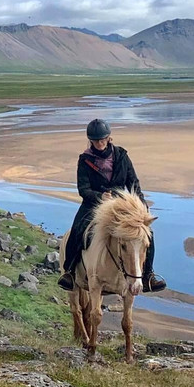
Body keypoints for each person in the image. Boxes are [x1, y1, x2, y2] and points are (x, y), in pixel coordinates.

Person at [57, 119, 166, 293]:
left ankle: (148, 275)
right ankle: (69, 272)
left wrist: (141, 205)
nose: (99, 144)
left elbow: (133, 183)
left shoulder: (121, 155)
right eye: (95, 141)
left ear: (109, 138)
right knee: (78, 230)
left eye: (102, 140)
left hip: (120, 205)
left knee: (147, 233)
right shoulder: (85, 160)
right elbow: (83, 189)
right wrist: (99, 196)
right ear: (90, 141)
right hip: (93, 204)